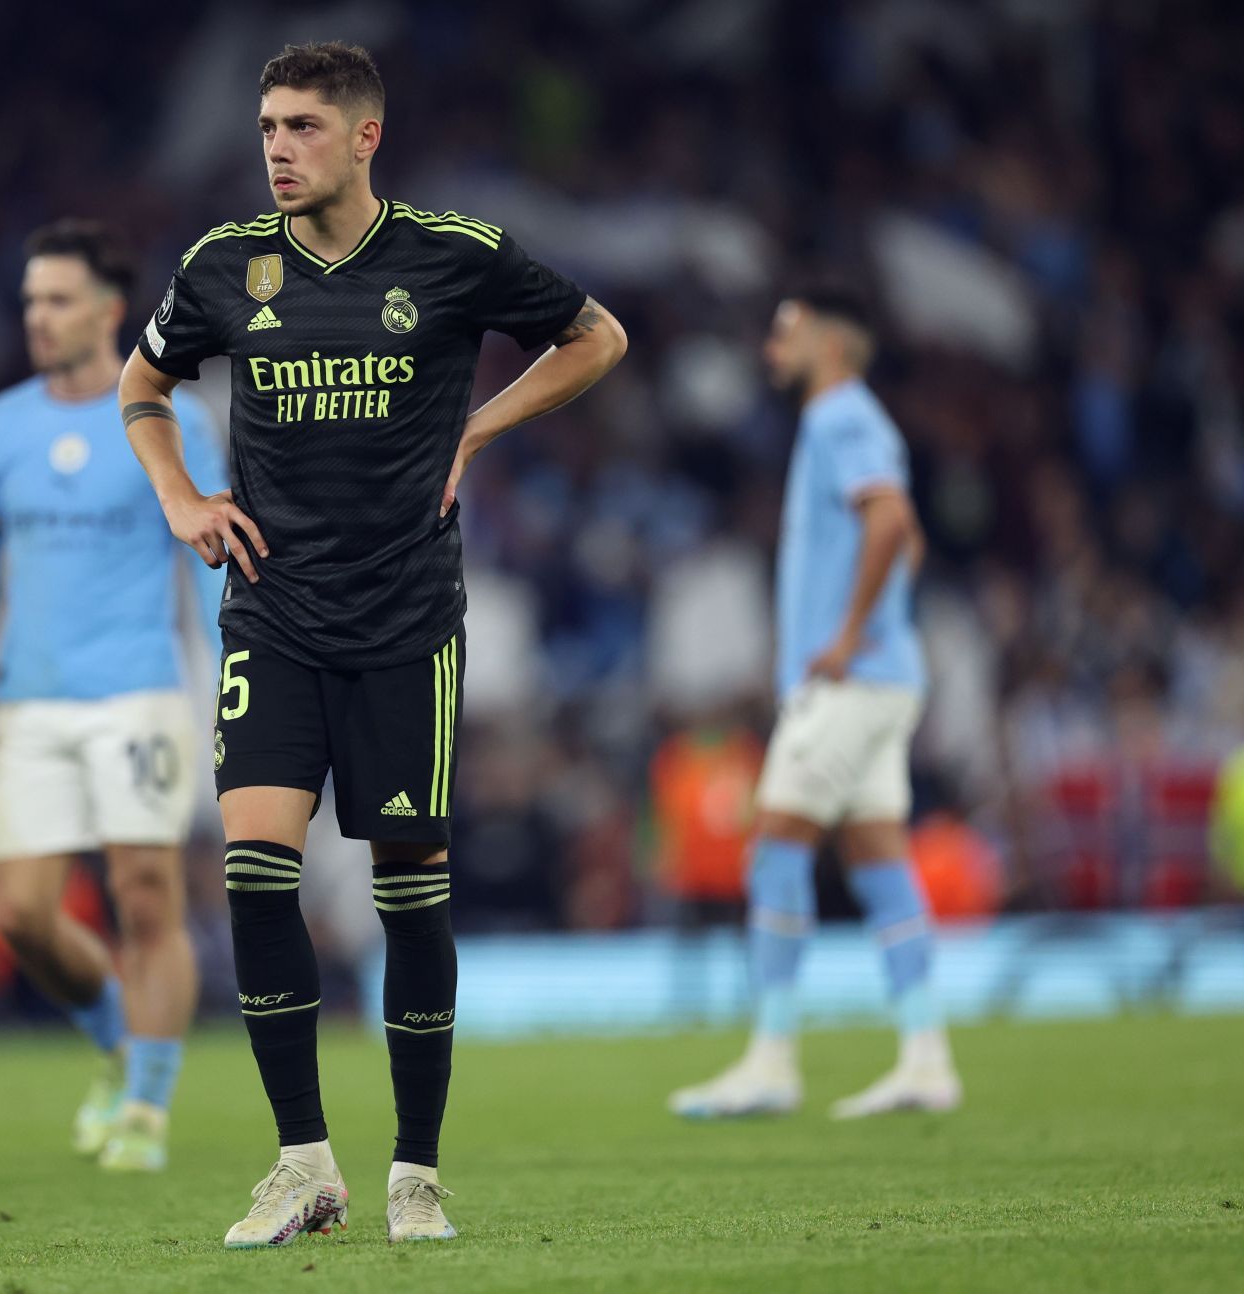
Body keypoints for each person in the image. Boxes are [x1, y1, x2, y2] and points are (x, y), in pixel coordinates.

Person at [120, 42, 626, 1246]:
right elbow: (141, 381)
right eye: (267, 128)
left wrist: (478, 430)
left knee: (409, 893)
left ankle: (415, 1172)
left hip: (405, 623)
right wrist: (182, 497)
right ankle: (303, 1162)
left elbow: (597, 335)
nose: (277, 149)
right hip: (273, 612)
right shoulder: (225, 266)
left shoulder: (452, 256)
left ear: (364, 137)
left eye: (300, 126)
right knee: (254, 871)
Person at [0, 219, 226, 1173]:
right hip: (30, 703)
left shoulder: (172, 417)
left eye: (55, 300)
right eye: (29, 301)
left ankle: (145, 1108)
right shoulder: (1, 425)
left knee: (146, 897)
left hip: (137, 692)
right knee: (17, 913)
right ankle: (116, 1040)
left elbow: (212, 555)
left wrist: (235, 674)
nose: (36, 318)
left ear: (109, 310)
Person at [668, 289, 961, 1120]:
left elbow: (893, 519)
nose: (771, 346)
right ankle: (926, 1057)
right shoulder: (855, 418)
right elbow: (907, 534)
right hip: (885, 678)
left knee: (775, 844)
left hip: (850, 679)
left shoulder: (840, 415)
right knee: (878, 857)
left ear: (830, 342)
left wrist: (846, 633)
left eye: (784, 330)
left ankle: (771, 1058)